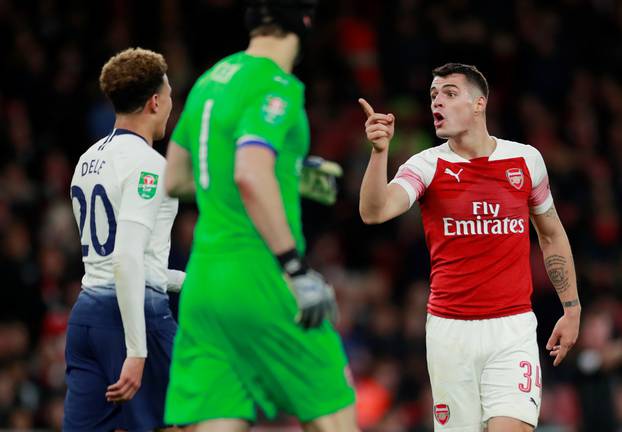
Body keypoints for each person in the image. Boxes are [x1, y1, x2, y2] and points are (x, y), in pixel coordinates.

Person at [163, 1, 357, 431]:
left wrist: (284, 174)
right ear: (305, 23)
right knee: (335, 415)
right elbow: (249, 173)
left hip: (204, 287)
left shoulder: (209, 81)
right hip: (263, 279)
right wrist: (295, 268)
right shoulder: (277, 85)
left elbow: (175, 178)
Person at [358, 63, 581, 432]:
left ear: (480, 104)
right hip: (450, 333)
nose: (437, 104)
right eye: (433, 96)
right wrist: (379, 152)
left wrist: (571, 307)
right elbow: (375, 211)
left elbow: (551, 233)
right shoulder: (426, 166)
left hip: (512, 329)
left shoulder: (525, 160)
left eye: (449, 93)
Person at [65, 47, 183, 432]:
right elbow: (127, 258)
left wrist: (187, 281)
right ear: (154, 101)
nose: (170, 105)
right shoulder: (149, 165)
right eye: (168, 96)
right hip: (133, 318)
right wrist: (136, 350)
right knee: (193, 421)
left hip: (86, 318)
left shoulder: (87, 159)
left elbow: (125, 261)